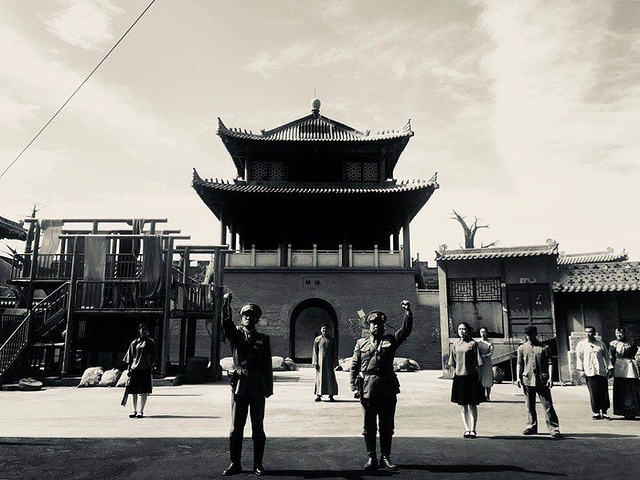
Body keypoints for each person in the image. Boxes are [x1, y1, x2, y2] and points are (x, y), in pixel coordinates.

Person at [350, 300, 413, 471]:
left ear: (384, 326)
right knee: (369, 426)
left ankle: (385, 456)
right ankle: (371, 457)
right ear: (369, 326)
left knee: (387, 425)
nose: (376, 326)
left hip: (387, 387)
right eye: (373, 324)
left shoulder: (391, 340)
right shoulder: (361, 343)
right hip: (368, 388)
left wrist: (407, 313)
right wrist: (354, 386)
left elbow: (405, 331)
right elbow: (354, 366)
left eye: (379, 324)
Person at [221, 293, 273, 477]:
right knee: (236, 427)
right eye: (245, 315)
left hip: (257, 386)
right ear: (241, 318)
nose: (248, 317)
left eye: (251, 315)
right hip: (240, 385)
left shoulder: (263, 338)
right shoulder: (236, 335)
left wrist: (268, 388)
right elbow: (226, 324)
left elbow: (267, 365)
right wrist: (226, 303)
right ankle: (235, 463)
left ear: (256, 319)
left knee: (258, 427)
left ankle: (258, 464)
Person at [516, 326, 562, 439]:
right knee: (529, 406)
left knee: (547, 405)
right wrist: (518, 377)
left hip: (542, 380)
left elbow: (550, 363)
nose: (529, 336)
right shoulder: (522, 348)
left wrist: (551, 378)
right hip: (528, 379)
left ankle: (554, 428)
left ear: (535, 334)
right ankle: (531, 426)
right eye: (527, 334)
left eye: (531, 334)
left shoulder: (545, 347)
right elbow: (519, 363)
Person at [448, 322, 484, 438]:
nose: (461, 331)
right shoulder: (455, 344)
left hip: (471, 376)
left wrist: (480, 377)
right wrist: (454, 373)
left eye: (464, 329)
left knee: (472, 405)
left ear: (468, 330)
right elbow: (452, 362)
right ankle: (466, 429)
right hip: (459, 377)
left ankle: (473, 429)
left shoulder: (473, 344)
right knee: (462, 405)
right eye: (459, 329)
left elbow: (479, 363)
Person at [575, 325, 613, 420]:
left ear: (594, 333)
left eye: (590, 332)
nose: (588, 334)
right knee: (593, 393)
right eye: (587, 332)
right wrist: (581, 370)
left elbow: (607, 357)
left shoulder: (601, 344)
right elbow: (579, 358)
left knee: (604, 393)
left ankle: (604, 412)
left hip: (601, 372)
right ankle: (596, 412)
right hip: (589, 372)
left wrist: (610, 368)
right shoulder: (581, 344)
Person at [123, 323, 156, 418]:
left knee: (144, 391)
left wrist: (152, 367)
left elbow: (153, 356)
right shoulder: (134, 343)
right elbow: (130, 357)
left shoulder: (150, 342)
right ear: (139, 331)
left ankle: (141, 411)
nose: (144, 331)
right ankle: (134, 410)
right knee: (134, 391)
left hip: (145, 368)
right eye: (142, 329)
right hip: (135, 368)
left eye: (145, 330)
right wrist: (129, 369)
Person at [609, 327, 640, 419]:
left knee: (631, 388)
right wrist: (611, 368)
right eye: (617, 333)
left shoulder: (631, 343)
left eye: (621, 333)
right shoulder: (613, 344)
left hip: (629, 365)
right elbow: (611, 356)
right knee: (620, 388)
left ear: (625, 333)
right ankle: (622, 411)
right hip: (619, 365)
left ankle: (633, 411)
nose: (619, 335)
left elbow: (636, 354)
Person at [312, 324, 339, 402]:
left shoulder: (331, 340)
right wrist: (315, 362)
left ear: (328, 330)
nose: (324, 330)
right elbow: (314, 351)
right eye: (323, 329)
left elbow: (335, 352)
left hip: (329, 362)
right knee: (319, 378)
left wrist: (335, 362)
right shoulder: (317, 339)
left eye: (326, 329)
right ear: (321, 330)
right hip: (320, 363)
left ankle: (331, 395)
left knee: (330, 378)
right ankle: (318, 395)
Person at [477, 327, 494, 401]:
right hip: (480, 363)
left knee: (488, 379)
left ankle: (488, 396)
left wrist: (485, 356)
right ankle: (481, 396)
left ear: (487, 333)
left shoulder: (490, 342)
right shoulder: (477, 342)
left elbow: (491, 352)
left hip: (487, 363)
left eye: (484, 332)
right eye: (481, 332)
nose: (483, 334)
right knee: (480, 379)